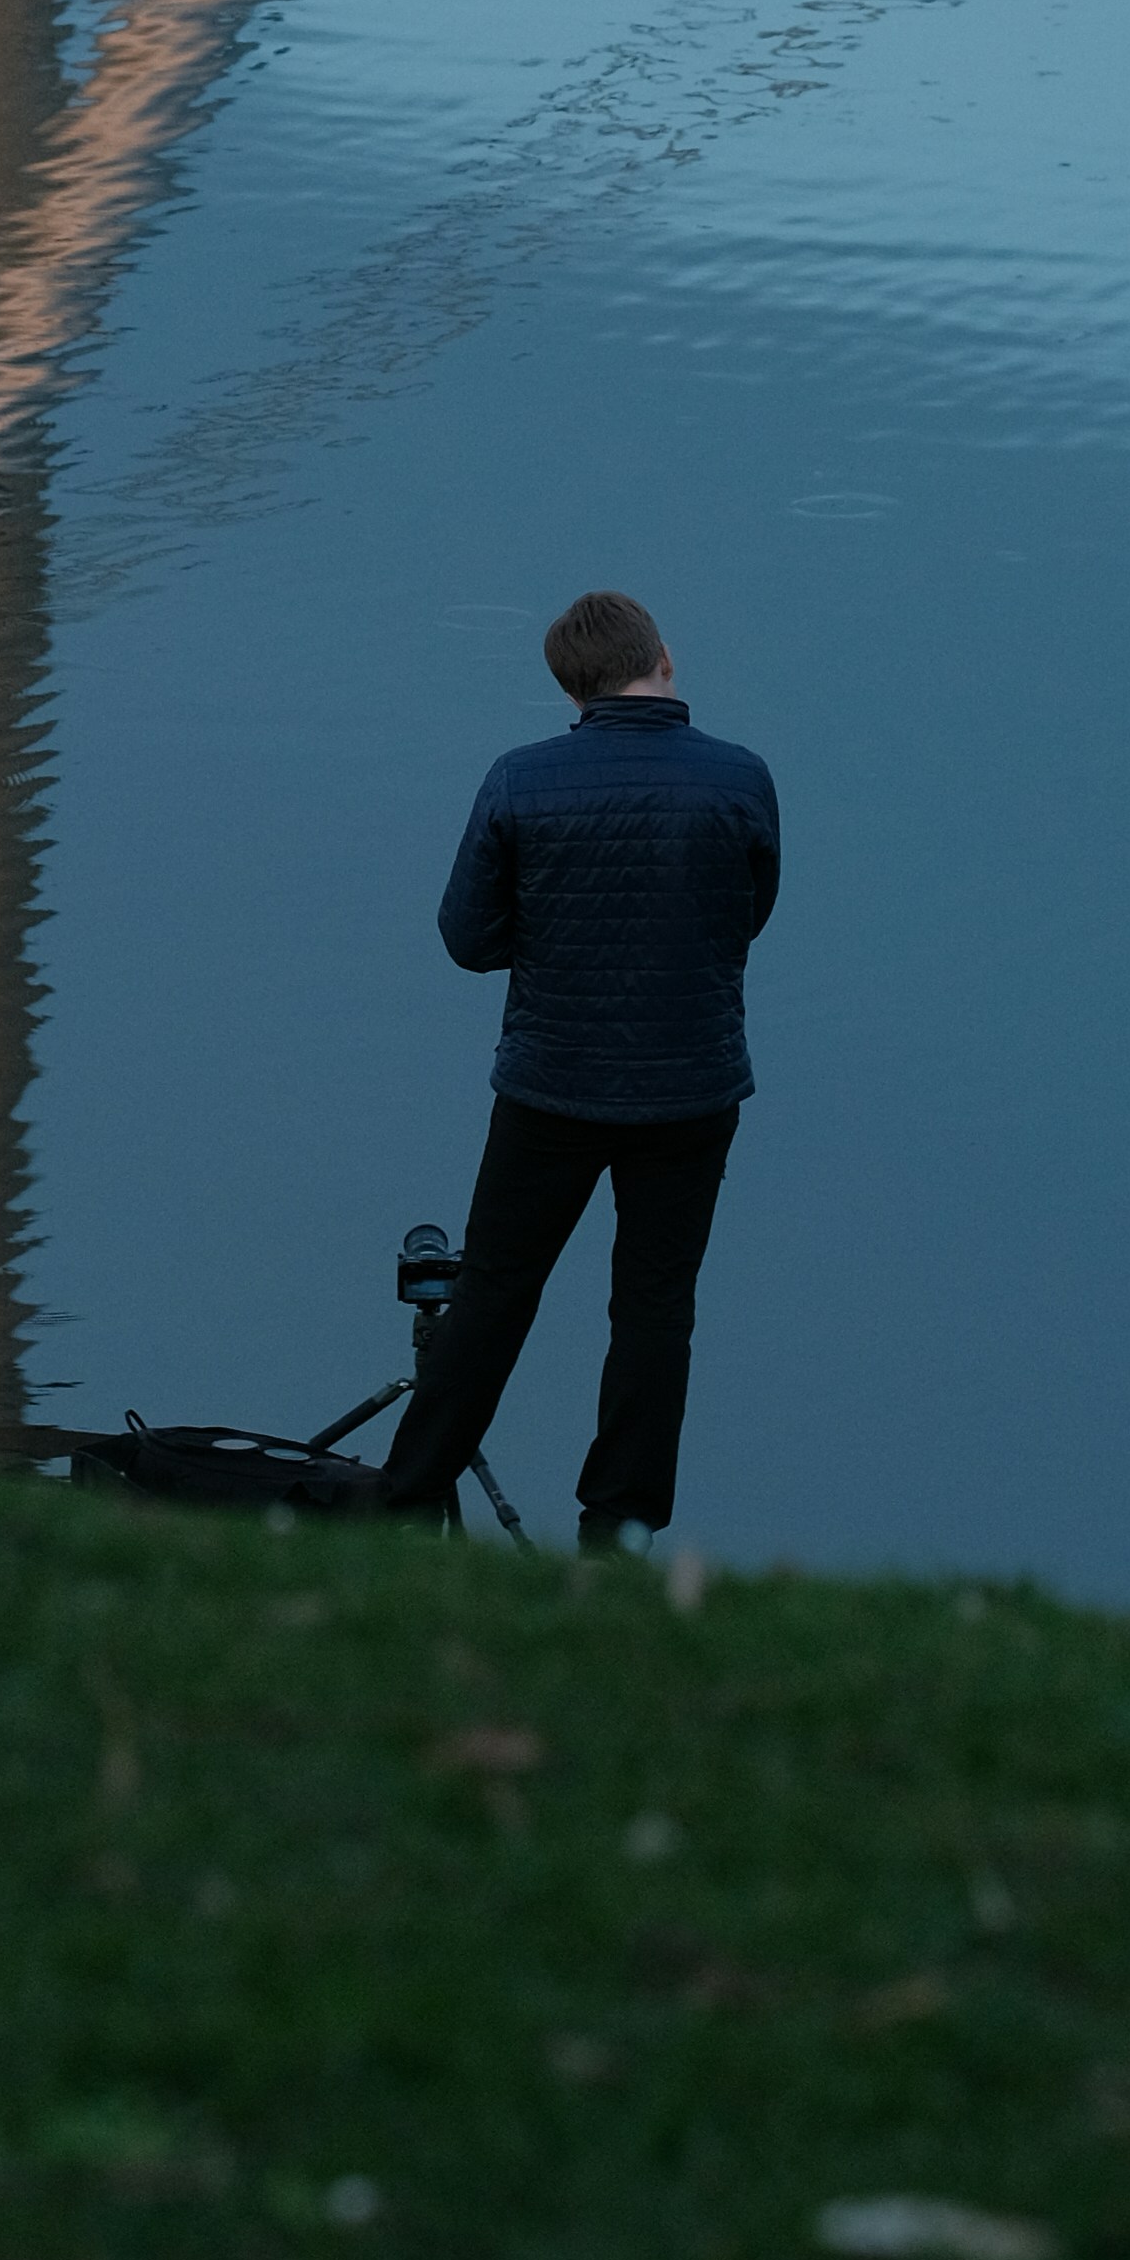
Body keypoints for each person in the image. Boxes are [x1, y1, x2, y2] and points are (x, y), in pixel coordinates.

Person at [373, 588, 779, 1546]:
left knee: (494, 1296)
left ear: (571, 689)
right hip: (692, 1088)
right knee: (653, 1309)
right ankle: (620, 1524)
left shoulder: (522, 778)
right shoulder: (741, 779)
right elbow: (747, 916)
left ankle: (399, 1505)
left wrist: (556, 941)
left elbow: (468, 940)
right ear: (663, 658)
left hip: (552, 1087)